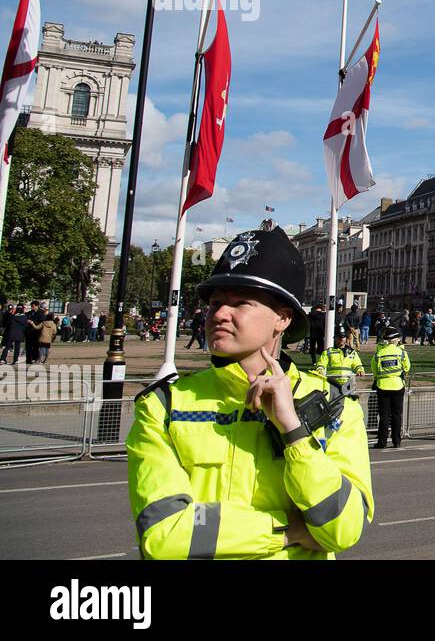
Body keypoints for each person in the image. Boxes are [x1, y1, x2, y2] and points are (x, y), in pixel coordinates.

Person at [126, 226, 373, 560]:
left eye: (241, 302)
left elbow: (345, 528)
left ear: (282, 318)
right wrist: (289, 532)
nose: (219, 314)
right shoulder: (165, 406)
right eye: (215, 303)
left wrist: (294, 433)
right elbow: (165, 534)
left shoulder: (334, 407)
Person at [371, 327, 411, 449]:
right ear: (396, 340)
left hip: (383, 386)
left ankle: (382, 441)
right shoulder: (401, 352)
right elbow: (407, 367)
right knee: (397, 415)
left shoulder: (379, 353)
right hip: (398, 385)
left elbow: (374, 370)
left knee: (384, 415)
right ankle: (396, 441)